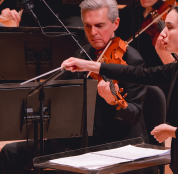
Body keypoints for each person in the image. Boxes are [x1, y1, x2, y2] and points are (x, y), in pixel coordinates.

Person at [62, 4, 178, 174]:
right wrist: (89, 65)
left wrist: (171, 131)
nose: (163, 32)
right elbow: (138, 73)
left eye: (170, 27)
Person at [0, 0, 148, 173]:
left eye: (99, 25)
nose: (93, 33)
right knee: (10, 152)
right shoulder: (82, 53)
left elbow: (133, 115)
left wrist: (113, 101)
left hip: (115, 143)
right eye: (87, 26)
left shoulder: (131, 61)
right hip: (79, 140)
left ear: (116, 23)